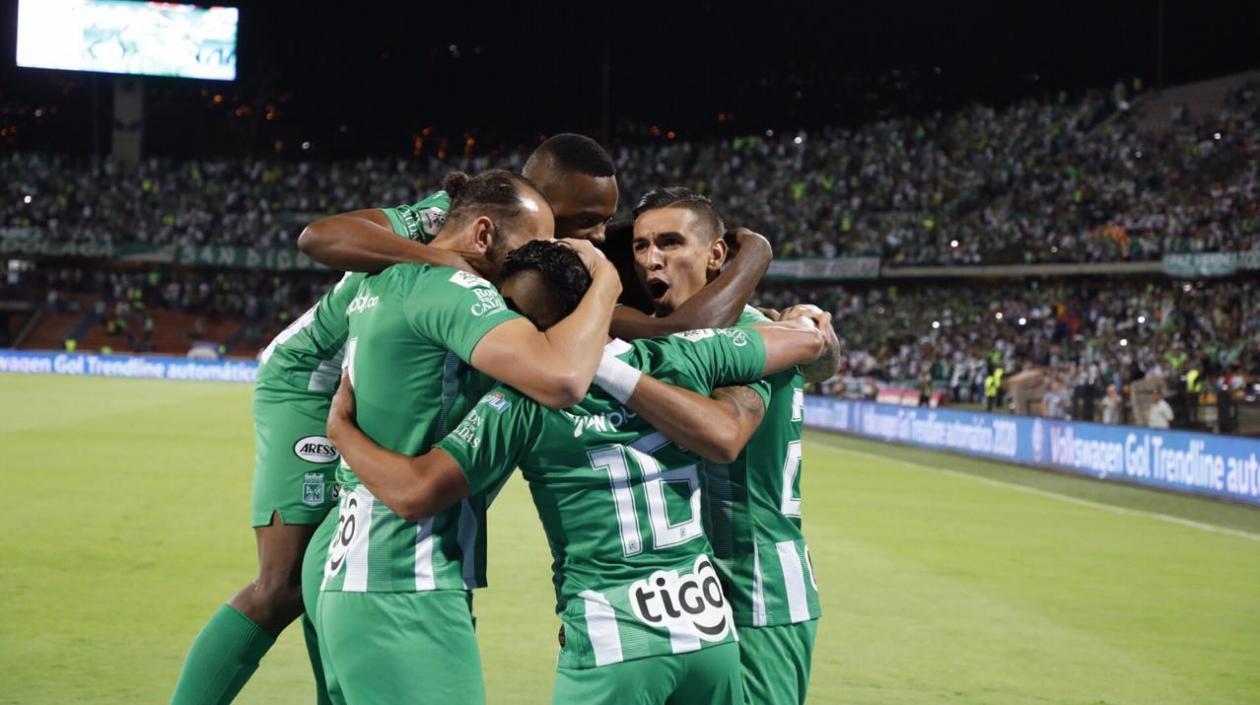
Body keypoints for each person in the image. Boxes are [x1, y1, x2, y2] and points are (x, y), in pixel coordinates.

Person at [324, 240, 832, 705]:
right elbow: (807, 343)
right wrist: (801, 316)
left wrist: (342, 430)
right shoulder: (678, 356)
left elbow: (414, 492)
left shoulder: (521, 402)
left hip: (614, 637)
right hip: (708, 634)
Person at [315, 171, 622, 704]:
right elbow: (563, 379)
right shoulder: (457, 289)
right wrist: (607, 282)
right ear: (483, 234)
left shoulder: (383, 281)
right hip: (406, 584)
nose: (535, 263)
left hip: (362, 579)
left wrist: (340, 431)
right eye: (529, 248)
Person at [168, 190, 464, 705]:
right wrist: (438, 257)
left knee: (332, 567)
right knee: (281, 587)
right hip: (308, 380)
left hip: (362, 384)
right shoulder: (454, 210)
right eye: (589, 218)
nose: (594, 231)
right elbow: (323, 237)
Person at [615, 188, 840, 703]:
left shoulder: (752, 334)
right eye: (642, 245)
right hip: (691, 581)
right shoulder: (678, 332)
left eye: (670, 242)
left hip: (758, 579)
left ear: (716, 255)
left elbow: (725, 432)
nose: (652, 258)